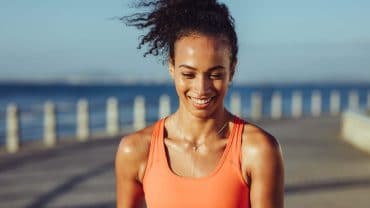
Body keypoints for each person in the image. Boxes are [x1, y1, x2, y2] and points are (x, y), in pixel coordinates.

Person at [115, 0, 284, 207]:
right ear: (171, 67)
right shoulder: (136, 150)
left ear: (232, 69)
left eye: (215, 74)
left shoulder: (257, 150)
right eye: (188, 74)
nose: (202, 88)